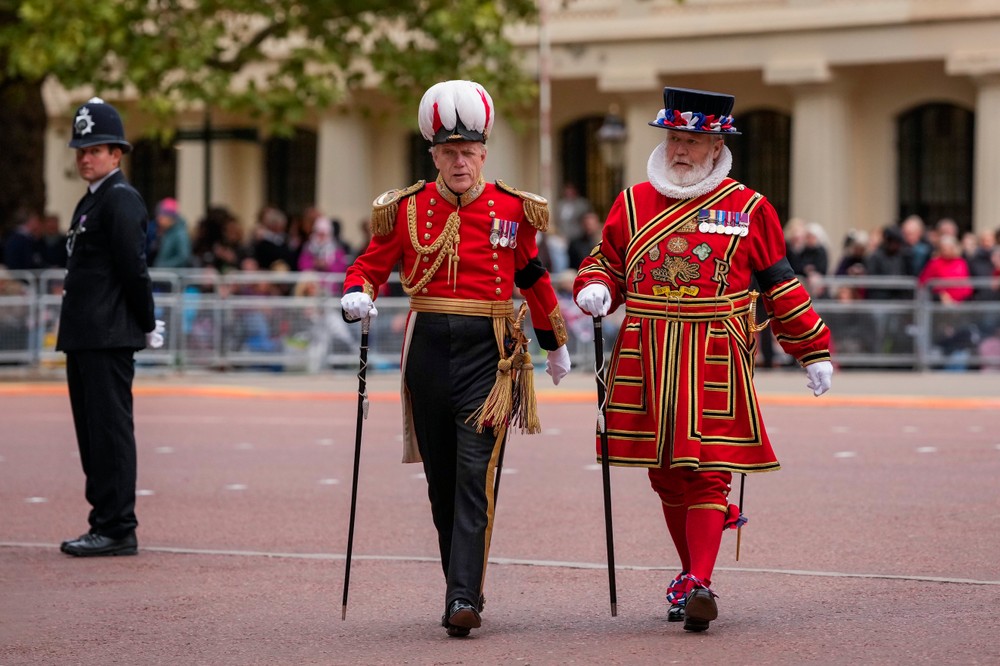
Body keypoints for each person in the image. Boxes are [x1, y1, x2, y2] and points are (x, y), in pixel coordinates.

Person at [573, 87, 833, 633]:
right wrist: (595, 287)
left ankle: (698, 583)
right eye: (674, 138)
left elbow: (779, 283)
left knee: (710, 472)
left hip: (715, 351)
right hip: (646, 352)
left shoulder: (751, 208)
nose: (680, 150)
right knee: (667, 476)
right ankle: (691, 575)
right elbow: (605, 263)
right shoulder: (631, 203)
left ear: (717, 147)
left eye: (692, 141)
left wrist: (810, 347)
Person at [341, 79, 572, 638]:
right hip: (426, 349)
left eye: (468, 151)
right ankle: (462, 584)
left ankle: (462, 596)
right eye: (449, 152)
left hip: (490, 353)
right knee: (441, 480)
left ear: (484, 154)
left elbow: (531, 275)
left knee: (474, 474)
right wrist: (356, 293)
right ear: (434, 156)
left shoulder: (513, 208)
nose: (459, 162)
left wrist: (554, 341)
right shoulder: (405, 208)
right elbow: (370, 265)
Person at [56, 98, 164, 557]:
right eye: (82, 150)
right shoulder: (94, 198)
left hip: (107, 333)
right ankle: (104, 520)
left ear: (116, 154)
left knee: (109, 433)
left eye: (95, 149)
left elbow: (132, 268)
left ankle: (118, 526)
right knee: (91, 434)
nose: (86, 157)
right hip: (87, 333)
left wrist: (146, 322)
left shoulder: (119, 198)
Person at [151, 197, 192, 268]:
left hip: (173, 273)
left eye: (161, 216)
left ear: (170, 217)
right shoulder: (168, 232)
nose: (158, 219)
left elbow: (183, 257)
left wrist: (163, 266)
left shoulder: (180, 234)